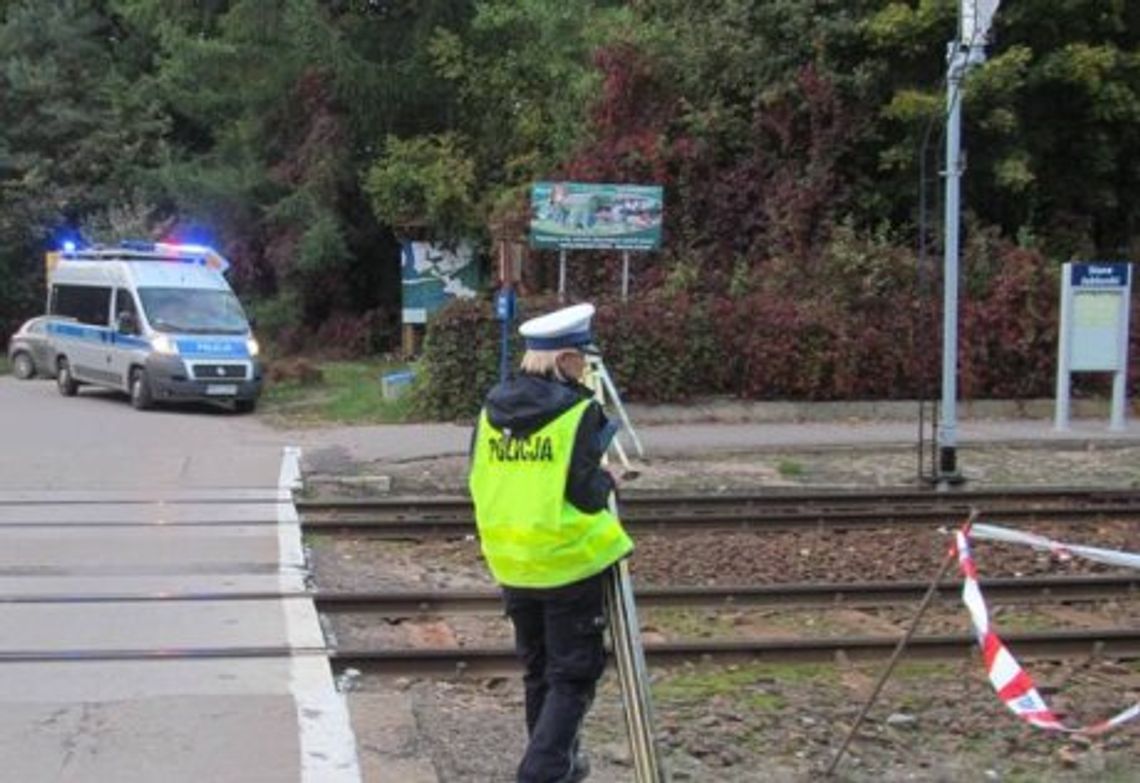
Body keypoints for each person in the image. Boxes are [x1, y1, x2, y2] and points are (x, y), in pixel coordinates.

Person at [468, 302, 634, 783]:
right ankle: (540, 772)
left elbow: (480, 478)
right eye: (582, 358)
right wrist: (610, 480)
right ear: (563, 359)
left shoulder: (490, 410)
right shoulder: (578, 411)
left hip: (511, 561)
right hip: (565, 563)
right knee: (573, 674)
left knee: (539, 670)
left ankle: (560, 765)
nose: (585, 367)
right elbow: (585, 495)